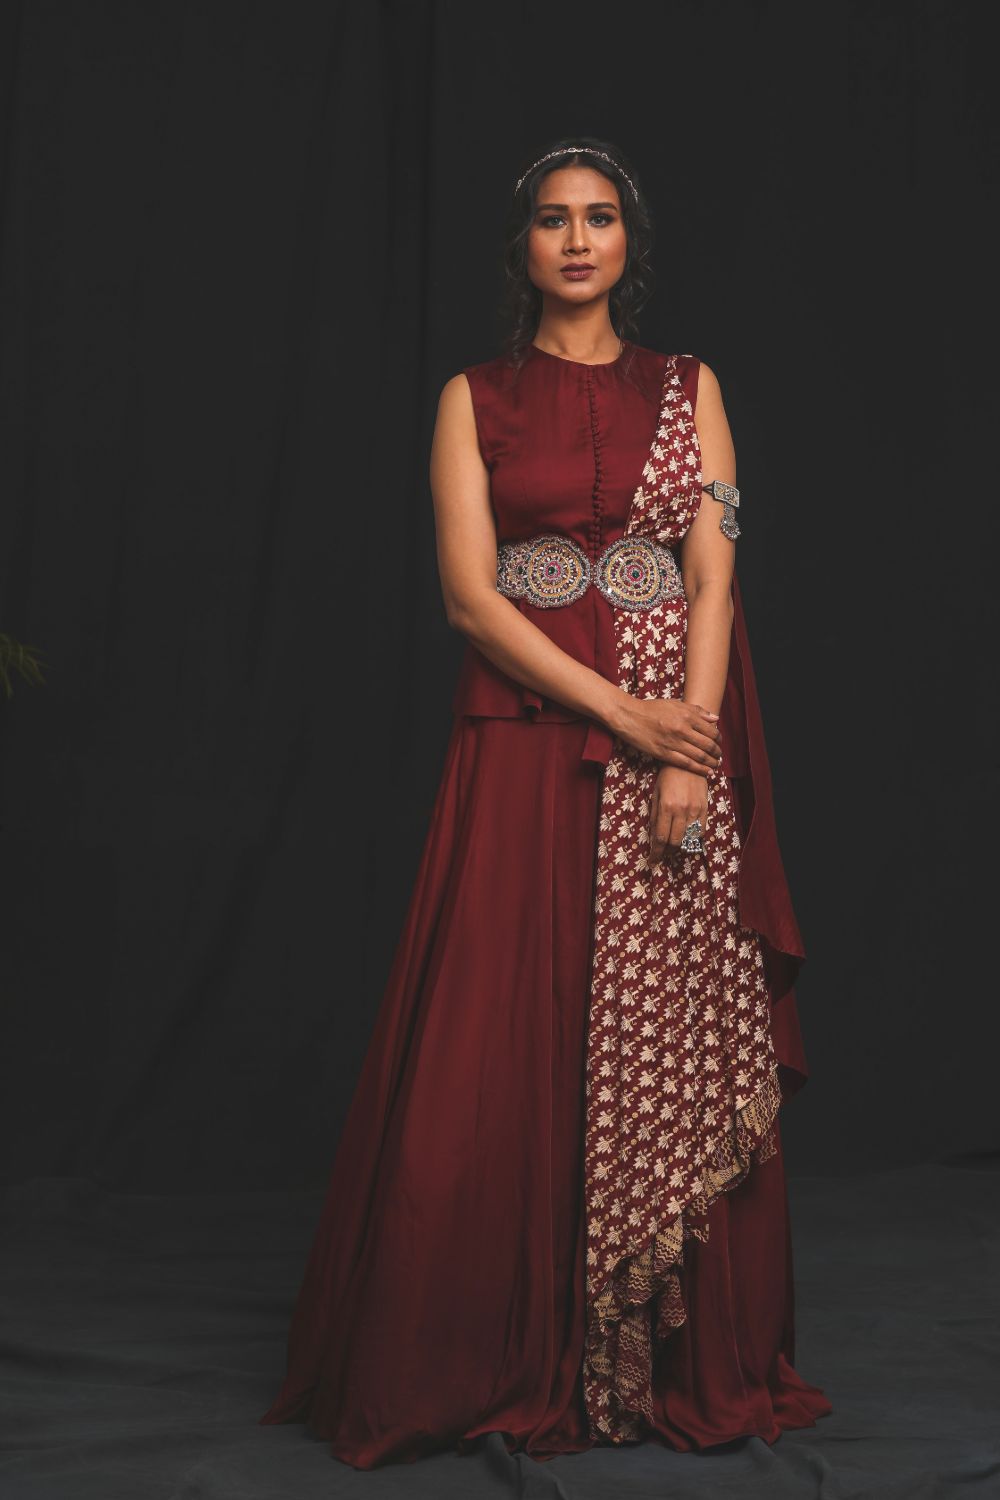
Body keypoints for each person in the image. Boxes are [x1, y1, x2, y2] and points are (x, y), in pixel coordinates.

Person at [259, 135, 833, 1468]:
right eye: (554, 220)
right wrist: (625, 717)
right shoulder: (473, 397)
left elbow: (712, 574)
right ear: (521, 247)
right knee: (496, 1032)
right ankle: (493, 1346)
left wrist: (687, 753)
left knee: (667, 1031)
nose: (578, 239)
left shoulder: (691, 389)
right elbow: (472, 599)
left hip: (680, 741)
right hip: (522, 742)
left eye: (602, 218)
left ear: (630, 243)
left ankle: (668, 1361)